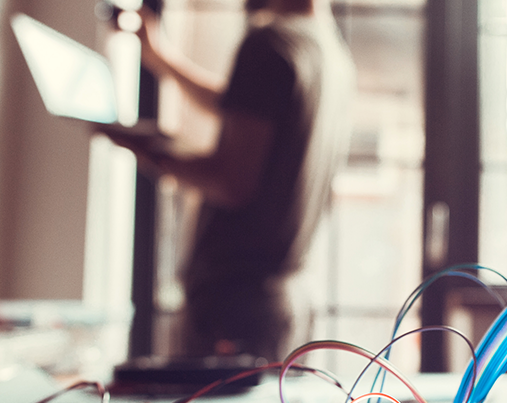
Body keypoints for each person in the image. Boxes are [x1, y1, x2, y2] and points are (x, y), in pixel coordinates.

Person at [101, 0, 354, 360]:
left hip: (235, 303)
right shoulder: (329, 53)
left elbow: (231, 183)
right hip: (283, 300)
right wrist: (162, 60)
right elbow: (244, 105)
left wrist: (147, 146)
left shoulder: (269, 44)